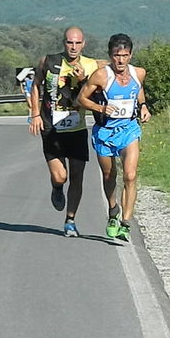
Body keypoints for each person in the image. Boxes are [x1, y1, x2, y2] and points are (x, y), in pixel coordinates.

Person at [77, 33, 151, 242]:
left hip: (129, 130)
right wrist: (100, 107)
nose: (120, 60)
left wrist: (143, 106)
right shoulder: (101, 76)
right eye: (116, 56)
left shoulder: (139, 73)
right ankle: (112, 210)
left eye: (125, 56)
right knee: (109, 176)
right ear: (110, 56)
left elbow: (138, 90)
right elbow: (81, 98)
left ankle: (126, 223)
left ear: (131, 55)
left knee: (130, 175)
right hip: (105, 132)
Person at [28, 26, 100, 237]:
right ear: (64, 43)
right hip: (52, 127)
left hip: (77, 127)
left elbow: (95, 92)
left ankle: (70, 220)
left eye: (78, 43)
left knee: (77, 177)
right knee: (61, 177)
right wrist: (34, 114)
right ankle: (57, 187)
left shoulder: (91, 65)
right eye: (70, 42)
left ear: (84, 44)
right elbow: (35, 85)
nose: (74, 47)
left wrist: (84, 80)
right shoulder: (48, 61)